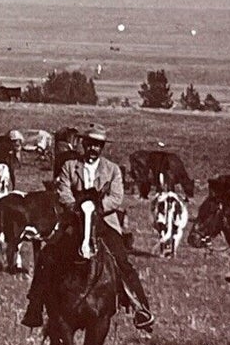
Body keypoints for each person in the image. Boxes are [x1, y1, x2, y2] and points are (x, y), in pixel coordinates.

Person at [22, 125, 154, 332]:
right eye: (90, 144)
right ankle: (35, 306)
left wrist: (97, 209)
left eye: (98, 145)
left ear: (102, 148)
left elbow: (117, 197)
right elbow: (63, 190)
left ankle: (140, 308)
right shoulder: (70, 166)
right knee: (47, 255)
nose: (93, 148)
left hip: (103, 222)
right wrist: (77, 207)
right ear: (83, 144)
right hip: (75, 220)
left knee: (122, 261)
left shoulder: (112, 169)